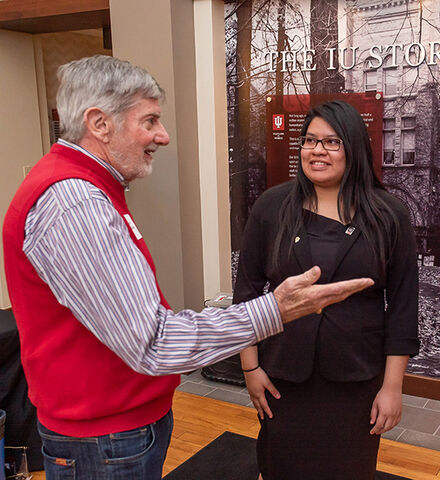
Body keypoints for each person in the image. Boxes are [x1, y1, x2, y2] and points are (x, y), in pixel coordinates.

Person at [2, 55, 373, 480]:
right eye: (150, 120)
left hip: (113, 429)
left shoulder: (91, 191)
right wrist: (276, 310)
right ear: (99, 123)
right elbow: (153, 343)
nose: (162, 136)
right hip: (104, 439)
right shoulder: (75, 204)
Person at [233, 100, 419, 480]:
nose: (317, 150)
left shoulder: (388, 215)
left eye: (332, 142)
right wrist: (250, 368)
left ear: (354, 148)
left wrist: (392, 388)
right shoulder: (272, 207)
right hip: (283, 377)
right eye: (310, 140)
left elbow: (402, 307)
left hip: (356, 381)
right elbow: (247, 294)